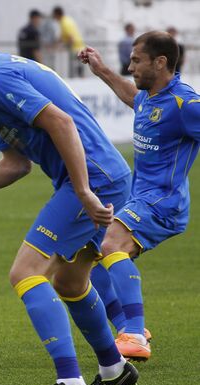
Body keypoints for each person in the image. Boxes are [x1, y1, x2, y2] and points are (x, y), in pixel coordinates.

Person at [0, 10, 137, 385]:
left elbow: (61, 123)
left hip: (92, 181)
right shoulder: (2, 69)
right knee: (71, 281)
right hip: (108, 176)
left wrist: (82, 191)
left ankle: (70, 383)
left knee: (25, 272)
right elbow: (16, 162)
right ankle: (114, 369)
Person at [80, 31, 200, 361]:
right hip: (139, 198)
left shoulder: (186, 104)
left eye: (136, 60)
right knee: (89, 259)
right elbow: (133, 97)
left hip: (164, 203)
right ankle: (128, 327)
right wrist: (102, 70)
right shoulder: (149, 95)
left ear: (160, 63)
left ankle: (134, 334)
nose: (130, 66)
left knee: (112, 244)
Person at [52, 6, 85, 77]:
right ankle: (80, 78)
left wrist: (64, 46)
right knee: (78, 66)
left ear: (57, 14)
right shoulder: (67, 20)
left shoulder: (64, 23)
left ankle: (79, 79)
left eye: (54, 15)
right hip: (79, 45)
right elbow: (63, 36)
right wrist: (56, 44)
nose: (54, 17)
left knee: (75, 67)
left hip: (75, 47)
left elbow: (71, 37)